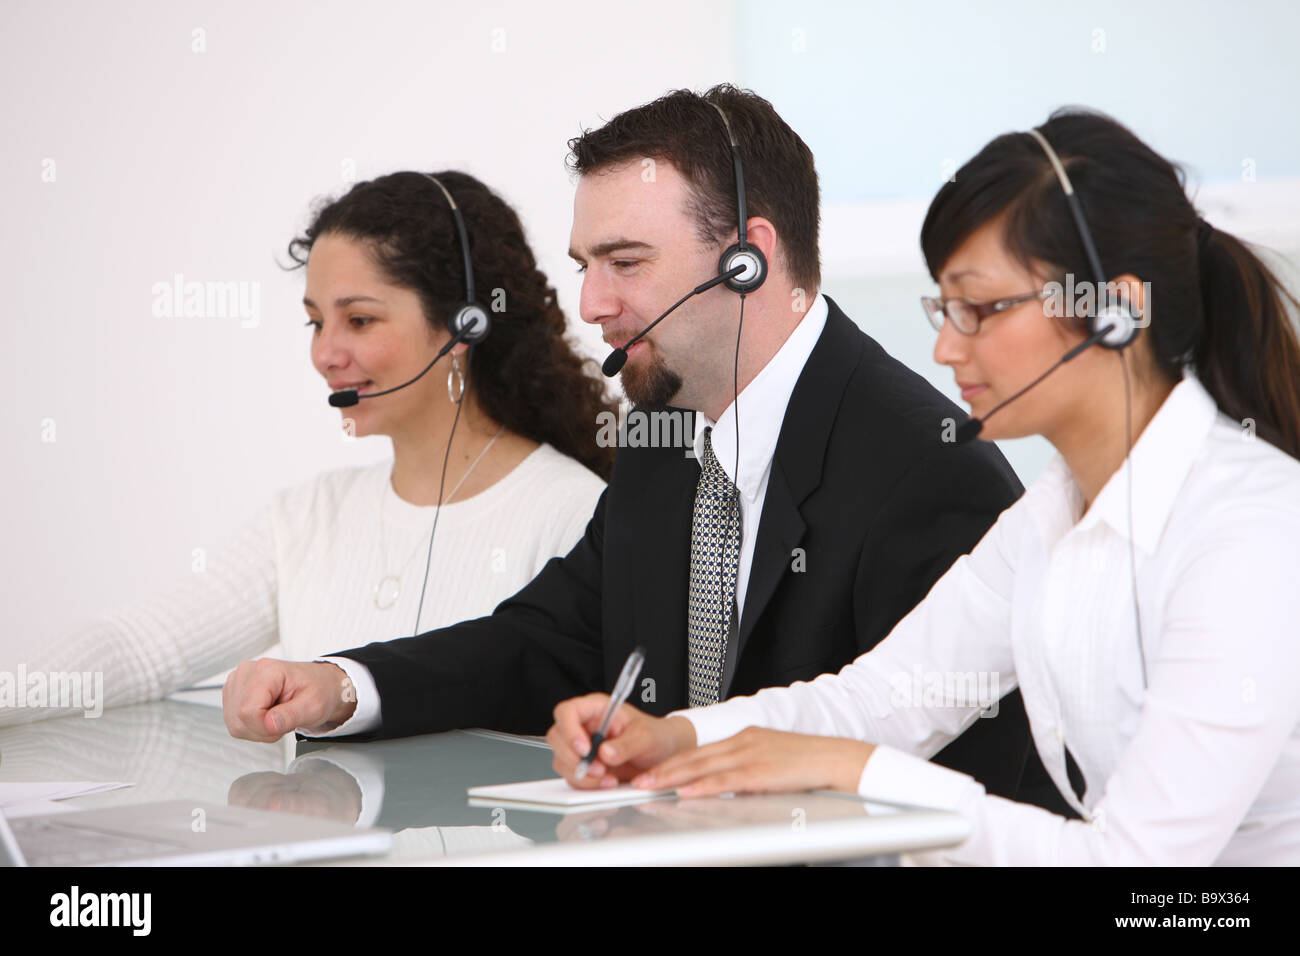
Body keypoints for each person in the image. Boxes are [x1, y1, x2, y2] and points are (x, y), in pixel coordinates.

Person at [221, 85, 1055, 809]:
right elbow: (549, 639)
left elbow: (943, 772)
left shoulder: (926, 471)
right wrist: (342, 686)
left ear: (748, 260)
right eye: (588, 264)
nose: (591, 302)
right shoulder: (666, 436)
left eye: (624, 263)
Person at [547, 108, 1300, 865]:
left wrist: (858, 772)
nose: (945, 347)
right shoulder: (1055, 513)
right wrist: (673, 737)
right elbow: (881, 697)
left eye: (981, 309)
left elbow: (1140, 868)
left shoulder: (1251, 529)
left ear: (1117, 312)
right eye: (944, 308)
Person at [0, 170, 611, 727]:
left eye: (360, 321)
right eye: (316, 322)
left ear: (463, 327)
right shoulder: (309, 516)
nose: (325, 354)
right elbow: (140, 648)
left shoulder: (575, 515)